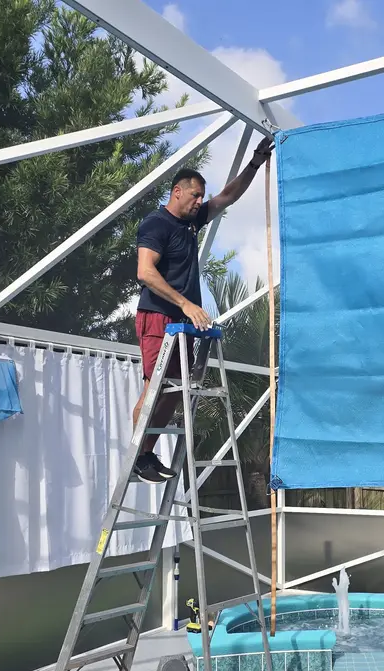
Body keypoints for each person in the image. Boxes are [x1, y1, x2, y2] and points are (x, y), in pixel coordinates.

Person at [132, 135, 274, 484]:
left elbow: (227, 196)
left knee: (174, 391)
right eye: (195, 195)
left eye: (201, 197)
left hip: (181, 322)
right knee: (154, 388)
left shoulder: (191, 223)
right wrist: (185, 303)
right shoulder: (156, 223)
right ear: (177, 192)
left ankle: (147, 452)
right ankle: (138, 456)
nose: (199, 201)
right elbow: (145, 272)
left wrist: (255, 163)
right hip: (158, 317)